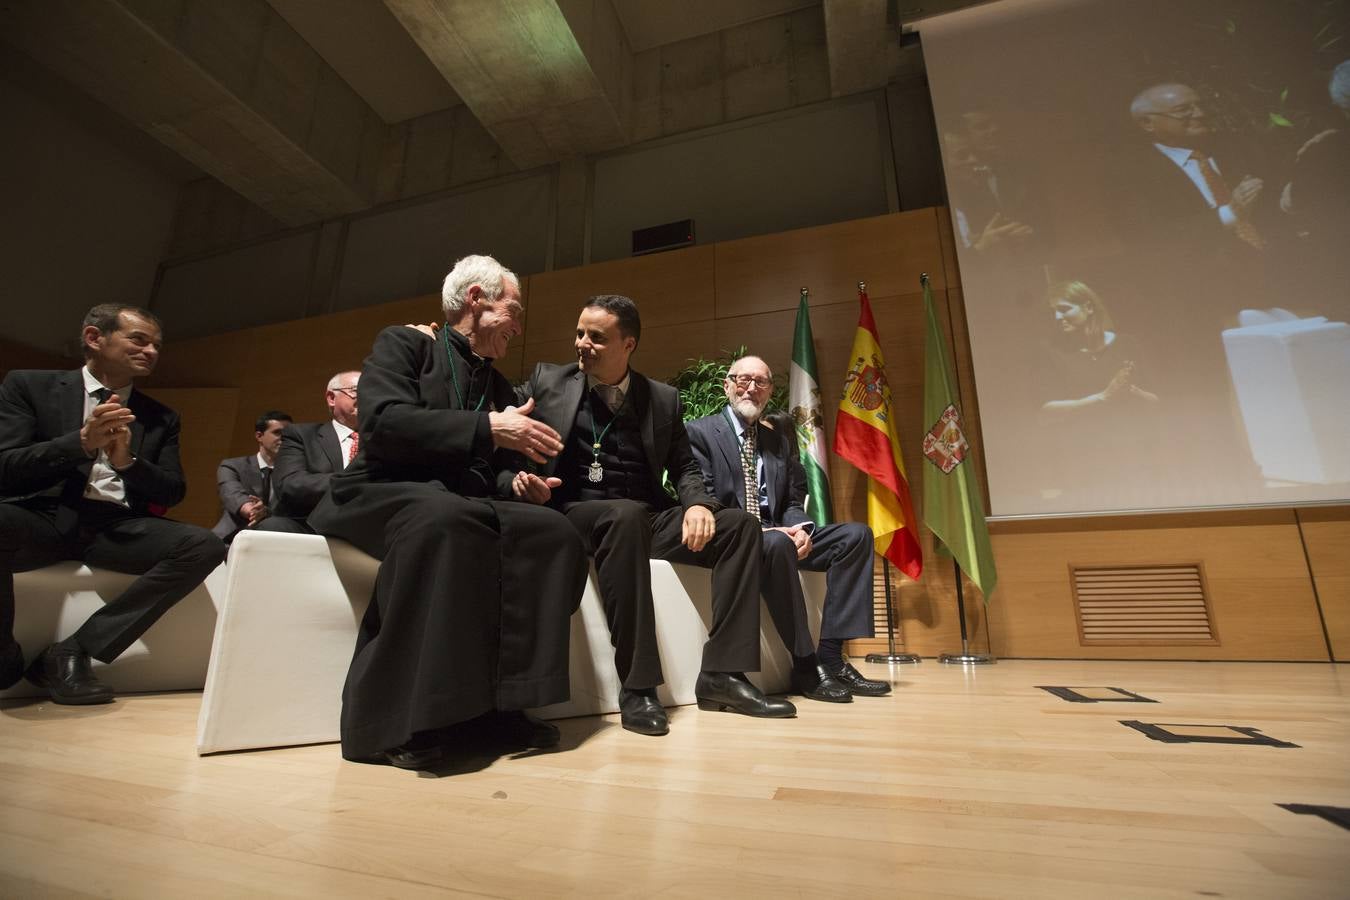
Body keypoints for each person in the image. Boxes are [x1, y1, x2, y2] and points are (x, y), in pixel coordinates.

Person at [306, 254, 587, 770]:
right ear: (476, 300)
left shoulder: (499, 386)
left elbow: (492, 469)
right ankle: (396, 718)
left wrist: (518, 481)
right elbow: (385, 425)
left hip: (456, 498)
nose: (519, 326)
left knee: (554, 532)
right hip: (383, 487)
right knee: (444, 522)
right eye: (513, 310)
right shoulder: (407, 343)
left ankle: (504, 704)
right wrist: (489, 429)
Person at [512, 295, 795, 738]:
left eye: (597, 337)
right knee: (623, 516)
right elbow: (498, 418)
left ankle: (724, 675)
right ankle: (638, 686)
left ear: (628, 345)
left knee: (739, 525)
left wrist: (698, 504)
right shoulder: (548, 380)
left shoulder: (662, 399)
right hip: (574, 512)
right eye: (580, 333)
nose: (583, 343)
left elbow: (684, 466)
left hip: (646, 516)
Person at [0, 304, 226, 702]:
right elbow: (6, 466)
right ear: (94, 338)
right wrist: (80, 444)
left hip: (114, 526)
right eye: (139, 339)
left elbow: (172, 492)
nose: (152, 351)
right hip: (41, 516)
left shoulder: (161, 417)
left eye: (157, 345)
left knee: (203, 545)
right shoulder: (28, 386)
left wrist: (128, 463)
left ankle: (73, 651)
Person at [687, 355, 890, 702]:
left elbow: (793, 499)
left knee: (856, 536)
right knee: (777, 545)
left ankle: (832, 657)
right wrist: (765, 533)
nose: (751, 388)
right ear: (727, 385)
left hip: (780, 533)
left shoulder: (778, 441)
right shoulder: (700, 432)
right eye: (743, 379)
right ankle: (806, 666)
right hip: (735, 537)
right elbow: (703, 498)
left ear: (770, 391)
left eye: (761, 382)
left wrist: (799, 529)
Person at [272, 371, 360, 524]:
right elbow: (290, 484)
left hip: (367, 525)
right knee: (273, 526)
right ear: (331, 398)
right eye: (357, 391)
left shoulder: (384, 440)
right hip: (308, 522)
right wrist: (354, 483)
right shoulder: (301, 435)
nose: (367, 397)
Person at [212, 410, 307, 542]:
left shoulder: (298, 472)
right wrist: (252, 510)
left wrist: (266, 512)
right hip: (232, 537)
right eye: (277, 432)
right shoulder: (232, 466)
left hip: (278, 539)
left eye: (288, 434)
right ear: (259, 436)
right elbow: (231, 493)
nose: (284, 438)